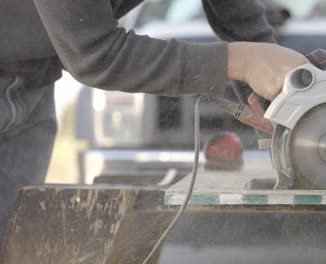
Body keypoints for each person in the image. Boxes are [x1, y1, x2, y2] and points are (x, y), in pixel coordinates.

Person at [0, 0, 308, 241]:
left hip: (32, 82)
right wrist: (240, 61)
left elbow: (236, 14)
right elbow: (94, 53)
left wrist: (282, 97)